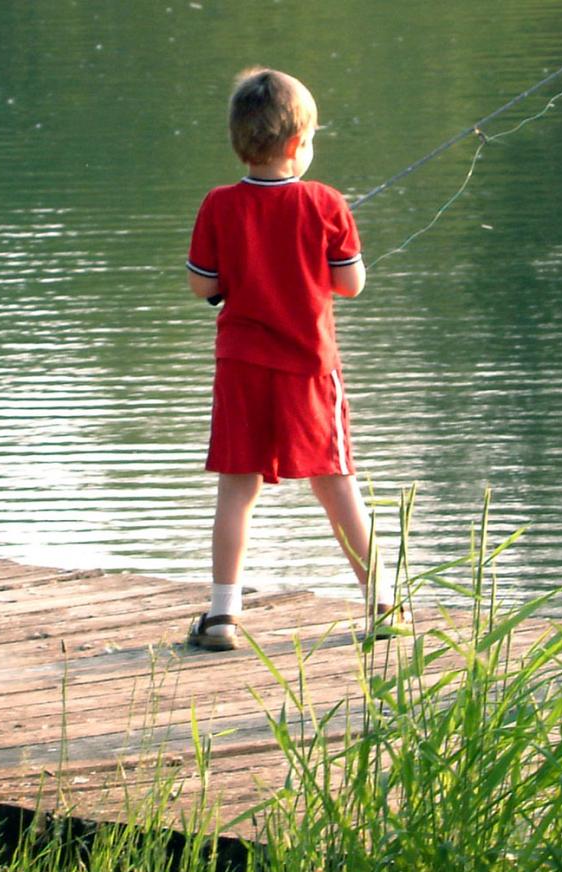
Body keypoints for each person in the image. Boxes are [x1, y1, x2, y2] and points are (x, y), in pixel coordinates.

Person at [183, 67, 395, 652]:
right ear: (299, 145)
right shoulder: (326, 202)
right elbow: (350, 284)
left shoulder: (218, 205)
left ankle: (223, 614)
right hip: (309, 370)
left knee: (236, 491)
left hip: (242, 368)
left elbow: (204, 287)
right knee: (336, 484)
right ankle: (380, 603)